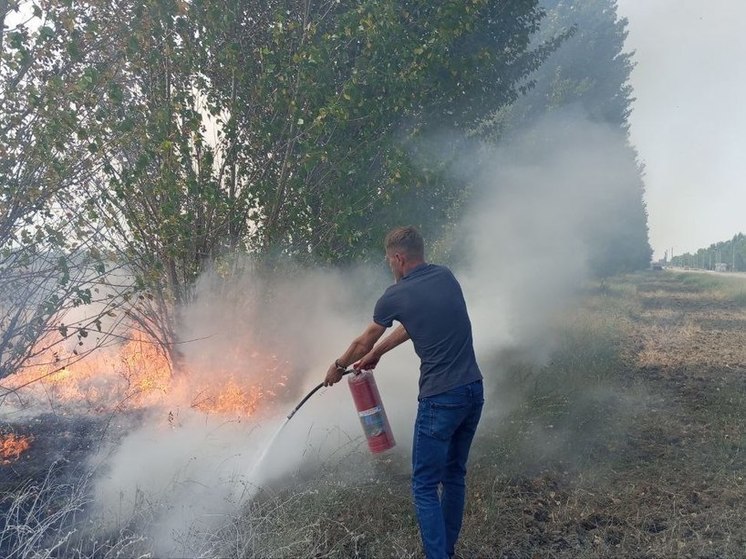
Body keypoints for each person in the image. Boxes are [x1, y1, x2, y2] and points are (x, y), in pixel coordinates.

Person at [324, 226, 484, 559]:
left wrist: (338, 365)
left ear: (398, 258)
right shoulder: (446, 277)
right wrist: (379, 354)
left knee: (424, 485)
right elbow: (413, 325)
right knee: (454, 474)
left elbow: (362, 341)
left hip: (441, 399)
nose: (390, 267)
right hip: (473, 391)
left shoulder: (395, 294)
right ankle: (447, 550)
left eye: (389, 261)